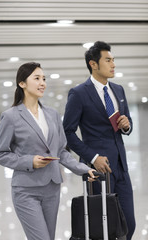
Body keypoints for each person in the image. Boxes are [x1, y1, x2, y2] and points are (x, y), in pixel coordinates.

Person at [0, 62, 96, 240]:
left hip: (52, 188)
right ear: (22, 83)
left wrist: (84, 169)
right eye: (37, 78)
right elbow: (1, 154)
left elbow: (62, 152)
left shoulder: (52, 114)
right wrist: (29, 161)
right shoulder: (10, 116)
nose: (42, 83)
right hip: (26, 191)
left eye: (44, 79)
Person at [63, 41, 136, 240]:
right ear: (93, 64)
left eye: (113, 60)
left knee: (129, 224)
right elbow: (67, 132)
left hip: (121, 167)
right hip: (99, 170)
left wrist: (126, 125)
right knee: (104, 227)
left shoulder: (118, 90)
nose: (113, 64)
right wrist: (92, 157)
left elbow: (126, 124)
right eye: (108, 60)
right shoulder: (78, 94)